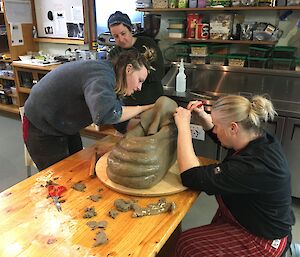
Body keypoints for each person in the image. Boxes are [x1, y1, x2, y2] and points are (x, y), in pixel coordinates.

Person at [173, 95, 295, 257]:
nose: (214, 129)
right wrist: (203, 117)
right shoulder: (256, 138)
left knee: (186, 244)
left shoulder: (253, 166)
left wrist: (183, 127)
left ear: (233, 128)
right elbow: (223, 138)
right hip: (251, 218)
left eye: (216, 125)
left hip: (265, 239)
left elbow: (190, 176)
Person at [23, 49, 154, 171]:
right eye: (140, 80)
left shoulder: (114, 80)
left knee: (76, 167)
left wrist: (146, 124)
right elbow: (106, 114)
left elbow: (119, 121)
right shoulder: (102, 75)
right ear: (129, 69)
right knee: (58, 178)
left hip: (64, 124)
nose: (139, 87)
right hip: (41, 126)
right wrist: (141, 108)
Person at [107, 11, 165, 132]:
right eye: (116, 36)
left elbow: (159, 72)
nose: (121, 39)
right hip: (129, 109)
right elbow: (116, 83)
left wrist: (137, 76)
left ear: (131, 29)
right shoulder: (114, 54)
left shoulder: (147, 44)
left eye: (123, 33)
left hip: (152, 104)